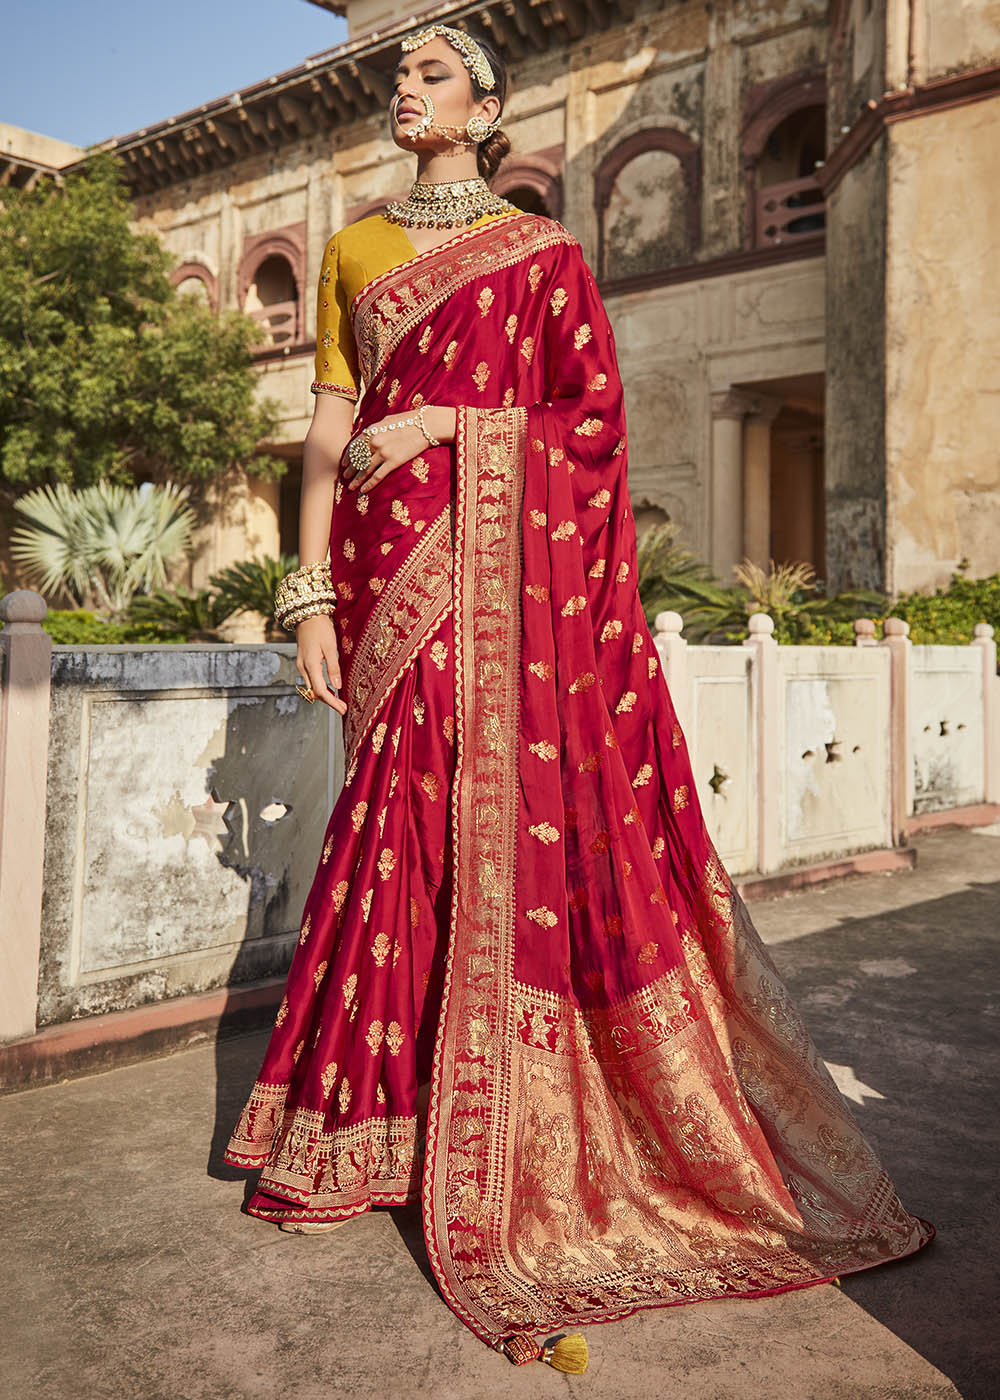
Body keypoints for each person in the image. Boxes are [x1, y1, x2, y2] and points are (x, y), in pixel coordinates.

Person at [224, 23, 934, 1373]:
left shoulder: (543, 258)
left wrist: (447, 426)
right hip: (384, 574)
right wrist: (307, 595)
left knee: (466, 823)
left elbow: (592, 426)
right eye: (402, 68)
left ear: (488, 107)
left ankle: (477, 1132)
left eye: (432, 73)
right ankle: (370, 1123)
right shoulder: (354, 247)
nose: (404, 85)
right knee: (391, 823)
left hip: (492, 580)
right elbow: (324, 432)